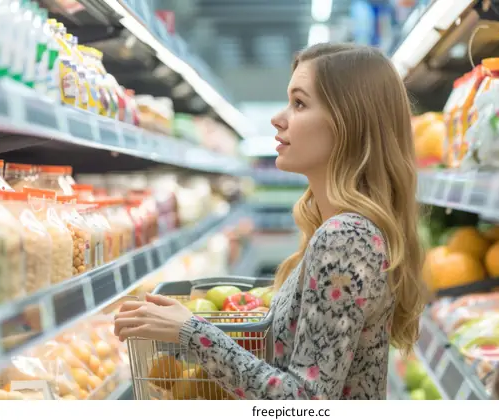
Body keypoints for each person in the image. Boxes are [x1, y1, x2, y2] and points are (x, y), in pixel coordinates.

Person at [114, 43, 427, 400]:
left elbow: (306, 403)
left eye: (299, 103)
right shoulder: (343, 229)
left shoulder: (346, 237)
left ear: (347, 121)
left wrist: (191, 332)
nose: (278, 118)